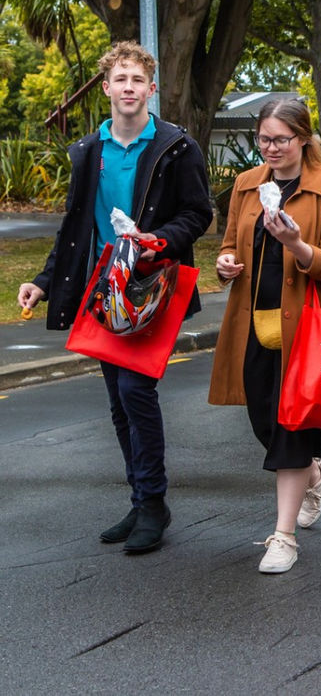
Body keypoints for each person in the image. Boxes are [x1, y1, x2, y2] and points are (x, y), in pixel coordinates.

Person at [16, 41, 212, 554]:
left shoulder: (175, 147)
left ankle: (153, 503)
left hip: (152, 287)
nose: (128, 88)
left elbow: (198, 214)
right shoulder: (89, 151)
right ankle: (143, 500)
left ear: (151, 89)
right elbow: (75, 228)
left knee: (134, 393)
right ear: (106, 88)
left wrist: (158, 241)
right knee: (118, 403)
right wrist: (43, 278)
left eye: (137, 80)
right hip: (103, 291)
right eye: (119, 79)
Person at [207, 99, 321, 573]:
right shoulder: (247, 185)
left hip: (306, 327)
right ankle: (314, 470)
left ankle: (283, 536)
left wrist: (295, 243)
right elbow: (229, 245)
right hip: (252, 322)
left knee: (290, 430)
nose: (271, 148)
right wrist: (225, 263)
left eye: (281, 140)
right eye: (264, 139)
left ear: (304, 139)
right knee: (264, 425)